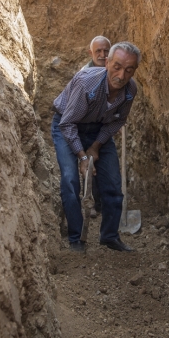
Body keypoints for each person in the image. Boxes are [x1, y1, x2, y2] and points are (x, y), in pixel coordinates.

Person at [52, 41, 141, 252]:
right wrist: (83, 157)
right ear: (107, 63)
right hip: (66, 125)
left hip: (98, 130)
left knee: (112, 183)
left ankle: (109, 236)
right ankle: (76, 238)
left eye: (129, 70)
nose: (121, 75)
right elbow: (67, 123)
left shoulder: (130, 90)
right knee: (70, 180)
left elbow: (117, 121)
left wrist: (96, 146)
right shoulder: (87, 83)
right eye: (117, 67)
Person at [80, 35, 112, 218]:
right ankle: (89, 204)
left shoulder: (113, 70)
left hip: (102, 126)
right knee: (87, 165)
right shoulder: (84, 74)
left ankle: (100, 205)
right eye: (98, 51)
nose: (102, 55)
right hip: (84, 126)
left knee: (100, 165)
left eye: (105, 51)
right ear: (90, 53)